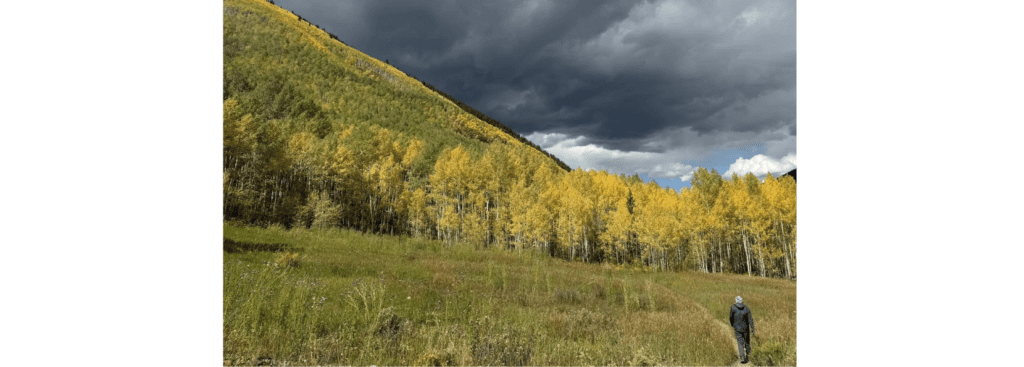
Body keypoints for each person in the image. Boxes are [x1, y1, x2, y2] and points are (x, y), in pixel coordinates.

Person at [729, 296, 755, 364]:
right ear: (742, 301)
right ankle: (748, 355)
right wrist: (752, 328)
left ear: (736, 301)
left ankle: (742, 357)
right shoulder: (746, 308)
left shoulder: (733, 308)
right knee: (747, 342)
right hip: (746, 328)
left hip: (737, 328)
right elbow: (750, 319)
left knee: (740, 342)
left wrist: (732, 325)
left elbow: (731, 317)